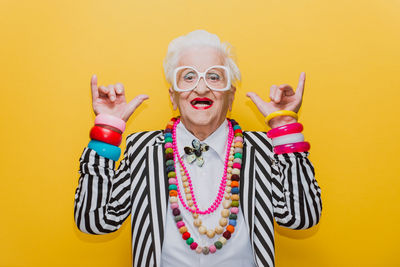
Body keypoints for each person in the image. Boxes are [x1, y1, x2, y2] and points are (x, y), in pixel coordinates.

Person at [74, 29, 322, 267]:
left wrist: (285, 131)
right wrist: (106, 132)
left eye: (214, 76)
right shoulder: (143, 149)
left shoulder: (262, 149)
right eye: (189, 76)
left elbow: (302, 218)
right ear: (173, 96)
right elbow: (94, 221)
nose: (201, 87)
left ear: (231, 96)